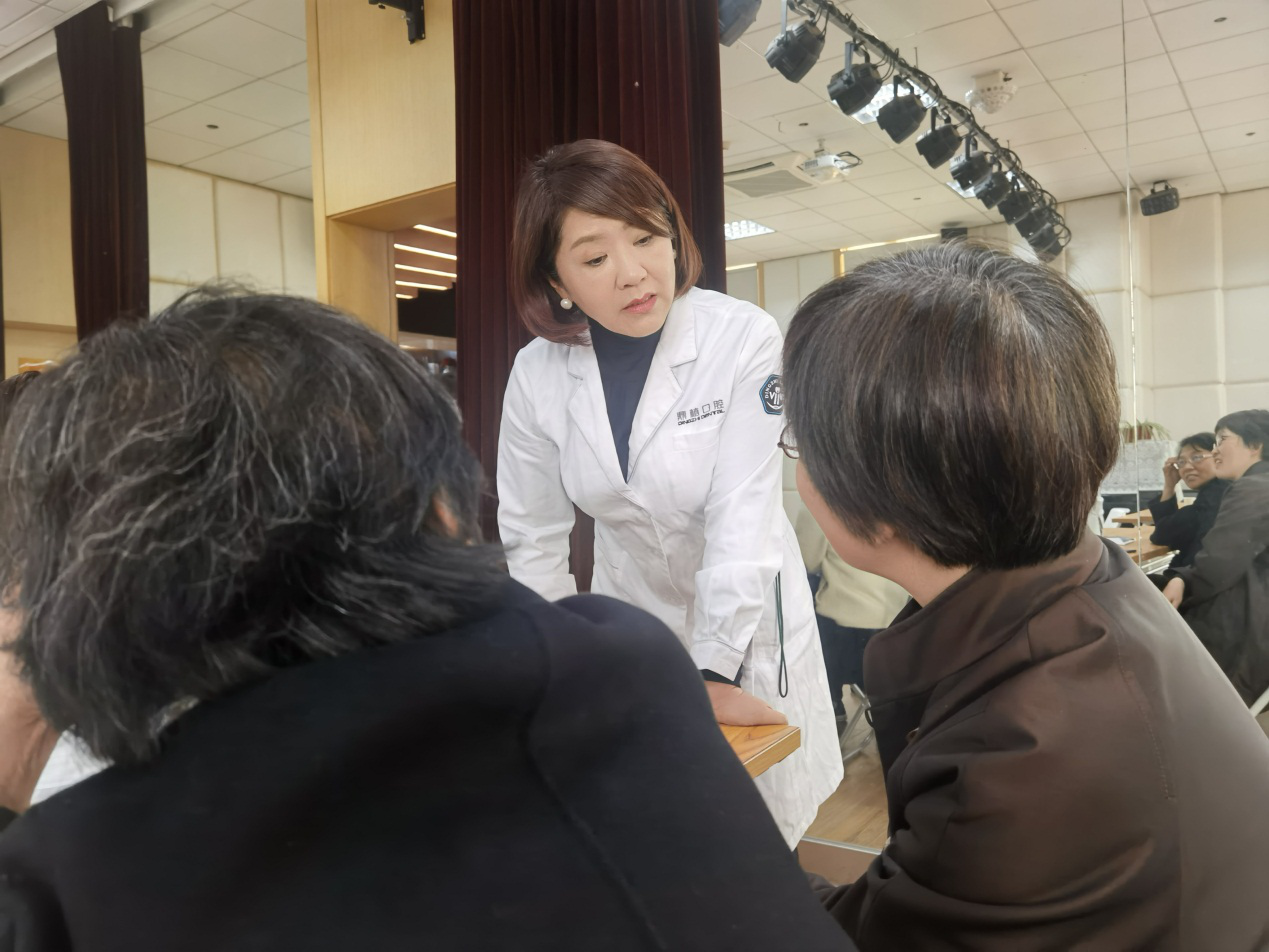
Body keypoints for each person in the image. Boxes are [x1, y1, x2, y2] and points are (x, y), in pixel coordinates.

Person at [0, 291, 854, 951]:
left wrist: (33, 722)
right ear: (442, 499)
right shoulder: (627, 660)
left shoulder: (80, 872)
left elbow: (742, 516)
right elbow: (530, 530)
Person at [781, 242, 1269, 951]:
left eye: (798, 441)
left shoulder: (1011, 756)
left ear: (877, 499)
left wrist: (698, 817)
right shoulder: (1097, 575)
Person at [498, 139, 841, 848]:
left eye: (646, 238)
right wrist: (560, 664)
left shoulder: (739, 336)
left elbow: (742, 511)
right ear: (556, 279)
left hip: (747, 618)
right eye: (595, 258)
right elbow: (533, 535)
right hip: (632, 615)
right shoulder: (536, 374)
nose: (633, 273)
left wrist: (713, 668)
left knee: (754, 832)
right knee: (654, 829)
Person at [1164, 409, 1269, 705]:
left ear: (1255, 445)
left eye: (1222, 439)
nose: (1215, 451)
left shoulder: (1254, 488)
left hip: (1245, 631)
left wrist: (1183, 580)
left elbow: (1217, 565)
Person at [1147, 431, 1227, 581]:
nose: (1187, 467)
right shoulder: (1220, 490)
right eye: (1181, 462)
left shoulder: (1214, 497)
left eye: (1197, 457)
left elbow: (1163, 536)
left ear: (1218, 457)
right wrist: (1169, 485)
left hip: (1197, 584)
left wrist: (1169, 487)